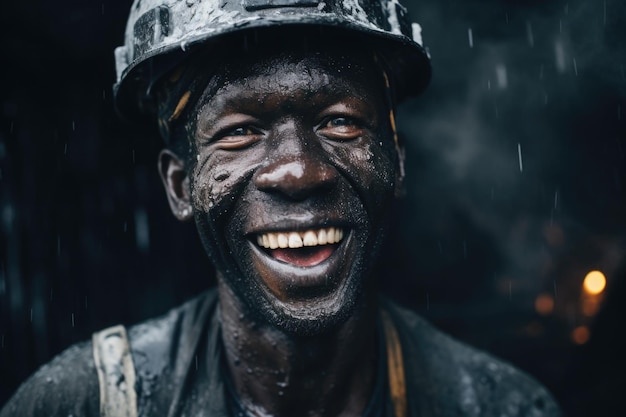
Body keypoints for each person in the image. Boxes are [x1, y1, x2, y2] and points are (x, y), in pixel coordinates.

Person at [1, 0, 562, 416]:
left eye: (340, 121)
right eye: (240, 131)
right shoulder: (79, 403)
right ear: (180, 186)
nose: (299, 171)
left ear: (397, 164)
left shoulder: (499, 406)